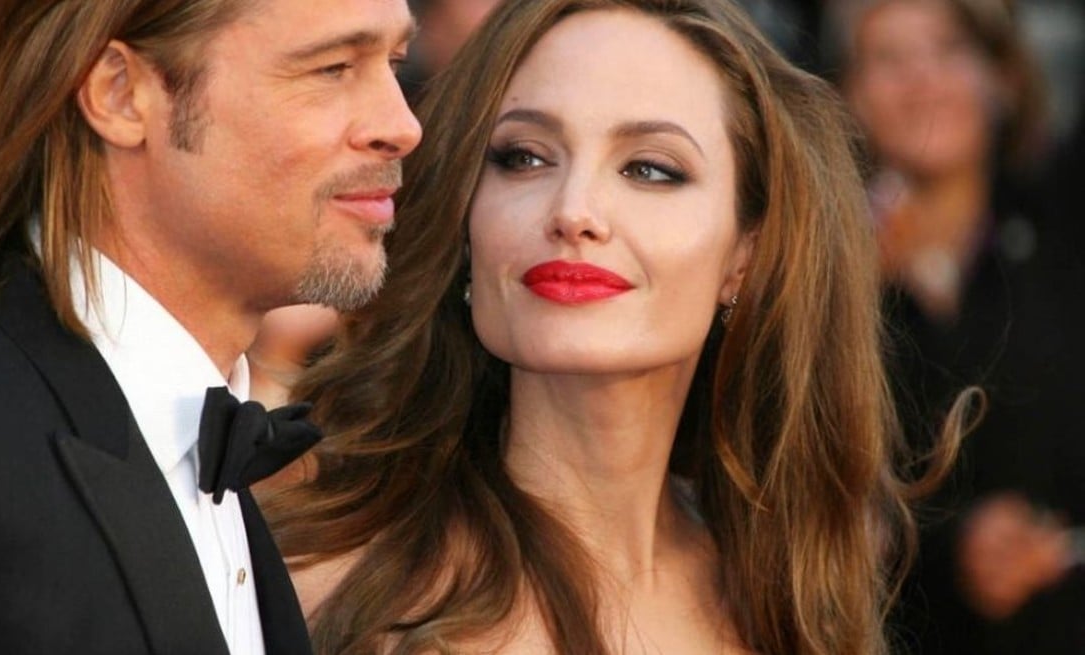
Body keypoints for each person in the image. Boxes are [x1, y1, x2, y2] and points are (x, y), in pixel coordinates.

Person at [261, 0, 965, 653]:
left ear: (746, 255)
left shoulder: (791, 592)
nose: (574, 209)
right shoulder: (315, 584)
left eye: (650, 169)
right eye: (524, 157)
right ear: (465, 215)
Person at [0, 0, 420, 653]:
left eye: (396, 64)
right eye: (332, 68)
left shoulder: (221, 454)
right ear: (120, 94)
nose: (402, 126)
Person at [837, 0, 1085, 651]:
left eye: (949, 49)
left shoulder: (1063, 223)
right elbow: (820, 501)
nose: (923, 79)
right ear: (849, 96)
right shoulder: (827, 283)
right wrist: (954, 550)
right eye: (889, 58)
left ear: (1001, 77)